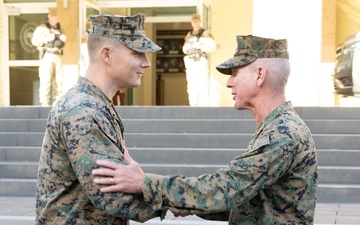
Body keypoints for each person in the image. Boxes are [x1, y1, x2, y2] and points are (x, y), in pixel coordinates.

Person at [92, 35, 319, 224]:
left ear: (260, 75)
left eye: (235, 73)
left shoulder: (283, 133)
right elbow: (244, 202)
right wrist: (178, 200)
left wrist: (145, 183)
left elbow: (226, 189)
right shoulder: (277, 128)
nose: (229, 83)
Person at [35, 13, 167, 224]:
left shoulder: (94, 104)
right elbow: (111, 196)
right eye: (137, 53)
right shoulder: (84, 111)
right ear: (107, 55)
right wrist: (175, 196)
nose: (146, 63)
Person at [31, 8, 66, 106]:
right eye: (52, 16)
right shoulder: (42, 28)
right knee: (45, 81)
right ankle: (44, 104)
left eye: (55, 16)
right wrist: (46, 38)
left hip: (58, 56)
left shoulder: (60, 29)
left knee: (59, 81)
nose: (54, 18)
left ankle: (57, 104)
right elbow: (34, 41)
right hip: (47, 56)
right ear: (48, 16)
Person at [182, 13, 216, 106]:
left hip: (200, 61)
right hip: (190, 62)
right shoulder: (190, 34)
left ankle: (203, 105)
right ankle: (193, 104)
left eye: (197, 21)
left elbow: (212, 46)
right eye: (193, 21)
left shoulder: (205, 33)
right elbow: (184, 48)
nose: (195, 23)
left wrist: (201, 45)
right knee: (192, 85)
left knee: (202, 84)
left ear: (200, 22)